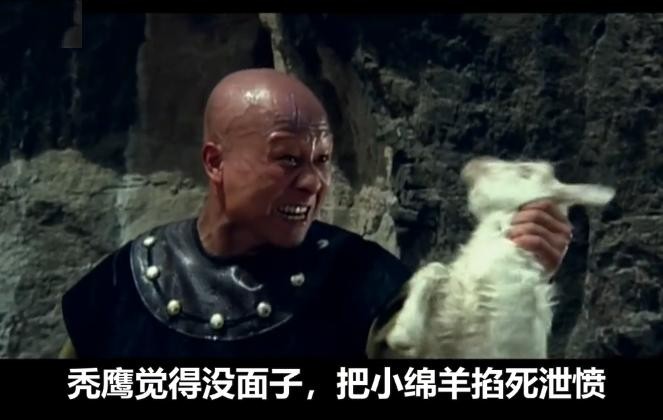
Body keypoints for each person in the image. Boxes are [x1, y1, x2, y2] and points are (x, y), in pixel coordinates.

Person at [59, 68, 572, 359]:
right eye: (287, 159)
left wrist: (514, 281)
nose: (313, 182)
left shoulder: (362, 282)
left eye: (322, 161)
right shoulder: (122, 289)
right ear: (216, 162)